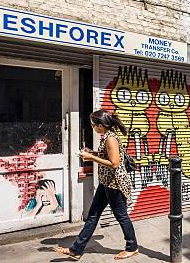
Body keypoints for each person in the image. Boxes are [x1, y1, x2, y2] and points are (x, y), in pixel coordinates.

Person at [54, 109, 138, 260]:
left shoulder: (110, 138)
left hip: (115, 184)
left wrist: (91, 158)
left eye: (93, 124)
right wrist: (92, 153)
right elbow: (107, 155)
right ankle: (76, 250)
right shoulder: (106, 136)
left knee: (121, 216)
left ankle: (132, 247)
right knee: (93, 215)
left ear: (100, 125)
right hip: (106, 183)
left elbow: (114, 163)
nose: (92, 126)